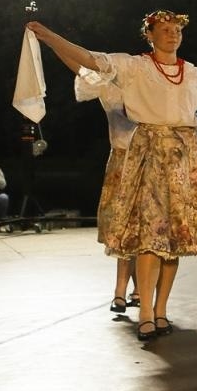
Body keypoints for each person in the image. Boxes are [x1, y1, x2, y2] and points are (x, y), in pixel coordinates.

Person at [27, 10, 197, 342]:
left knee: (175, 239)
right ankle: (144, 314)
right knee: (149, 236)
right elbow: (91, 62)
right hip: (147, 153)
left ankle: (162, 309)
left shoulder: (194, 74)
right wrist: (50, 37)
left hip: (182, 156)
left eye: (176, 30)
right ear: (149, 34)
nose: (172, 34)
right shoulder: (135, 66)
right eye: (164, 29)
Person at [74, 66, 137, 313]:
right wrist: (51, 40)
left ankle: (129, 292)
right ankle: (125, 291)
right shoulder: (112, 90)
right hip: (122, 162)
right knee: (124, 228)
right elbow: (84, 70)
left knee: (141, 229)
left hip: (148, 160)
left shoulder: (151, 90)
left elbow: (181, 114)